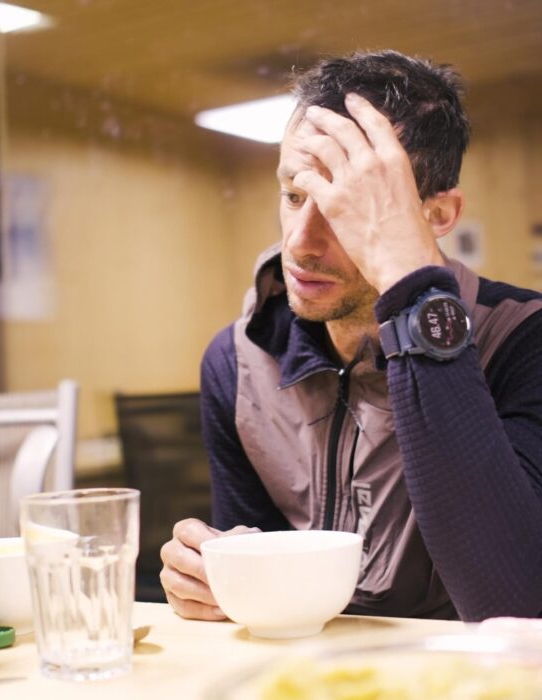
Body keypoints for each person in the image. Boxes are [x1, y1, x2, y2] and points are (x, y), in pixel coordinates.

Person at [160, 50, 542, 622]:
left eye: (348, 208)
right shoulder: (237, 359)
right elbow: (260, 583)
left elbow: (516, 604)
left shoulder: (524, 339)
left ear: (437, 216)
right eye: (294, 196)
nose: (300, 243)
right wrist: (214, 580)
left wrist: (413, 288)